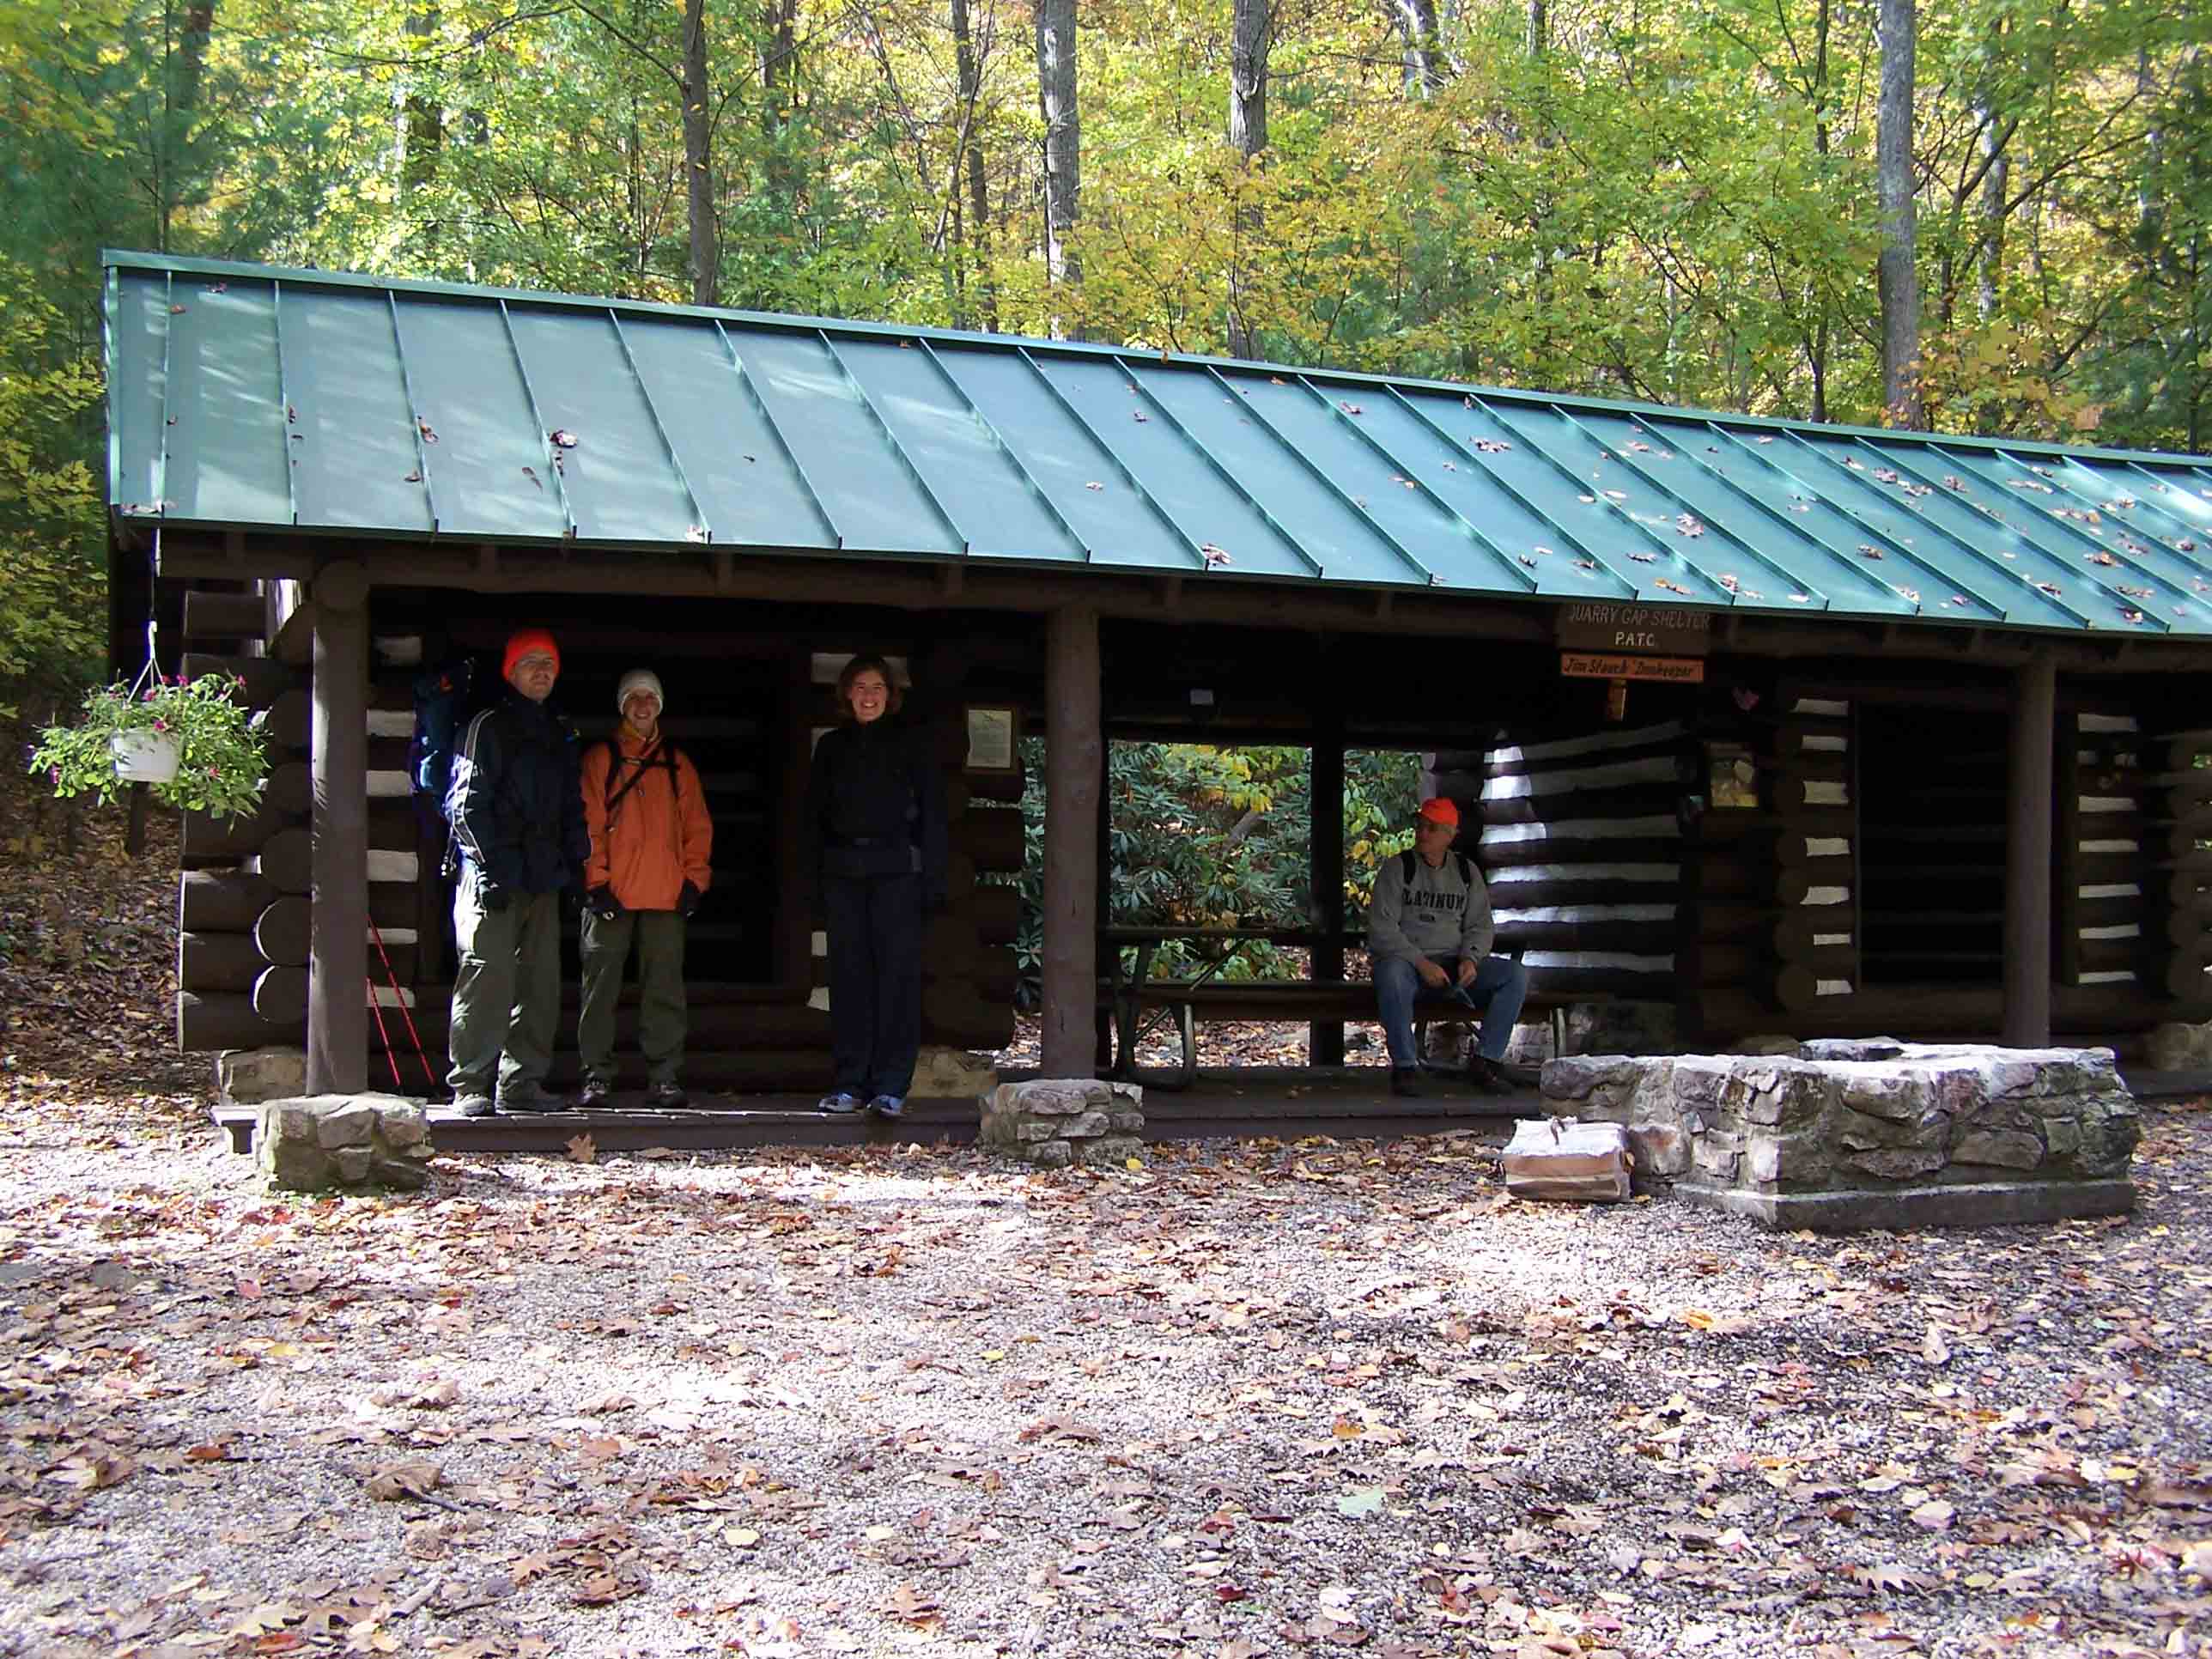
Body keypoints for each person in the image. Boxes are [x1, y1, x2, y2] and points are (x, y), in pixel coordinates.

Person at [445, 628, 589, 1117]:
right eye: (531, 663)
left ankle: (521, 1084)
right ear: (511, 672)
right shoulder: (487, 727)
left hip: (543, 877)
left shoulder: (559, 731)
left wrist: (577, 867)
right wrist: (491, 868)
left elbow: (572, 807)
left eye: (548, 663)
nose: (542, 671)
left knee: (540, 984)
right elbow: (464, 807)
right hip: (492, 875)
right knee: (486, 979)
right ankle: (470, 1086)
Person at [803, 653, 946, 1120]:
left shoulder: (912, 746)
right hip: (844, 873)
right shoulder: (831, 749)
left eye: (878, 688)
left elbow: (933, 818)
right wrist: (814, 882)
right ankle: (849, 1084)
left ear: (890, 695)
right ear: (847, 693)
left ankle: (890, 1087)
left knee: (896, 981)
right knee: (848, 979)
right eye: (861, 687)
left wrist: (933, 883)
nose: (869, 696)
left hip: (897, 874)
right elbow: (814, 821)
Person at [577, 668, 714, 1109]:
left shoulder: (678, 764)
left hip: (664, 894)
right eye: (634, 698)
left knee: (664, 991)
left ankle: (664, 1076)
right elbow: (588, 824)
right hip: (610, 894)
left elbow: (697, 826)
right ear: (622, 705)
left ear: (659, 706)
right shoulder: (601, 759)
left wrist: (695, 880)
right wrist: (594, 882)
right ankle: (596, 1075)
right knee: (599, 991)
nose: (642, 705)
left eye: (650, 698)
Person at [1365, 796, 1528, 1098]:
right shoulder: (1398, 869)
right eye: (1420, 826)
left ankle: (1485, 1061)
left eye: (1432, 828)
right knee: (1390, 974)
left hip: (1453, 966)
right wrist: (1421, 964)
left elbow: (1480, 925)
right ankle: (1405, 1067)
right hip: (1410, 968)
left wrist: (1471, 958)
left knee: (1513, 975)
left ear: (1450, 834)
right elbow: (1382, 930)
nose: (1423, 833)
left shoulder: (1466, 873)